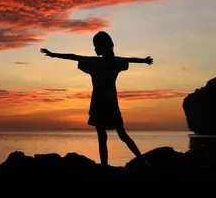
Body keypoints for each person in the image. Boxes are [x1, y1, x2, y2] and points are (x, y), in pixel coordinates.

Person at [40, 31, 153, 166]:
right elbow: (130, 60)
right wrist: (53, 55)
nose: (95, 49)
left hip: (104, 103)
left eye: (96, 45)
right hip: (104, 103)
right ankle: (127, 162)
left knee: (112, 135)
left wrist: (144, 61)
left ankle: (137, 161)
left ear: (105, 45)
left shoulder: (101, 62)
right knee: (115, 135)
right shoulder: (108, 62)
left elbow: (74, 57)